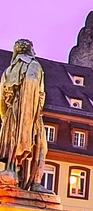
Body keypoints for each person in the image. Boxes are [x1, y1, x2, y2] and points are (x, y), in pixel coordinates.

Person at [0, 39, 49, 191]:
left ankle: (12, 171)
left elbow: (1, 98)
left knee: (13, 143)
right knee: (40, 147)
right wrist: (31, 112)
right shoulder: (34, 66)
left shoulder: (9, 71)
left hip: (11, 113)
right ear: (30, 50)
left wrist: (6, 116)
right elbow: (34, 86)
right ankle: (35, 182)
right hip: (31, 112)